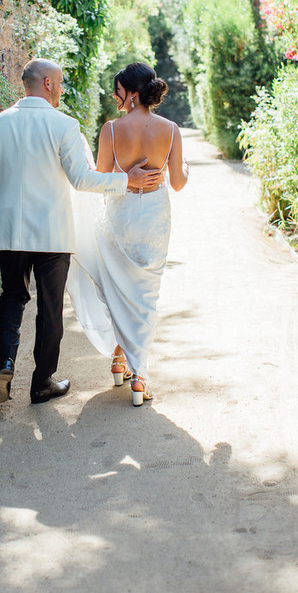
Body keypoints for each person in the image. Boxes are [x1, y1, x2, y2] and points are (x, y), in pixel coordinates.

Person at [0, 58, 164, 405]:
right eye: (60, 83)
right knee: (50, 307)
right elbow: (81, 180)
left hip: (12, 230)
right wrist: (127, 180)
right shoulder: (63, 125)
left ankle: (5, 362)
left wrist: (15, 196)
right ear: (47, 83)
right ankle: (42, 382)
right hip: (53, 232)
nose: (62, 89)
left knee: (13, 297)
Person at [66, 62, 188, 406]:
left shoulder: (110, 130)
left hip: (119, 214)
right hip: (154, 215)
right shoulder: (171, 129)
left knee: (119, 290)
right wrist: (184, 168)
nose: (114, 95)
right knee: (145, 295)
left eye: (118, 90)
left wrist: (118, 173)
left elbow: (103, 180)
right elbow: (177, 183)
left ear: (133, 93)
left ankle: (123, 361)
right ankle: (139, 377)